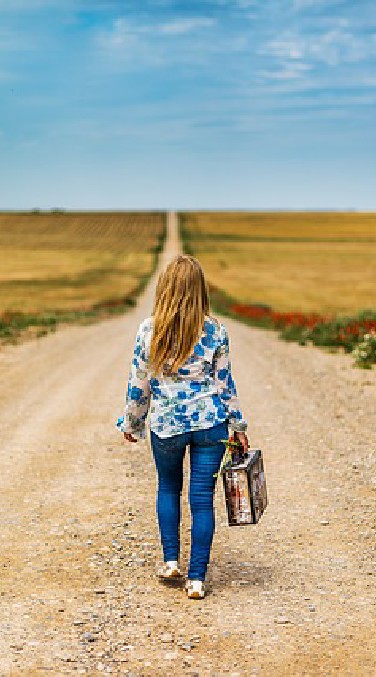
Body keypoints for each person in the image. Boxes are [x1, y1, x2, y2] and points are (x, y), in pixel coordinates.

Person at [116, 254, 249, 599]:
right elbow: (225, 383)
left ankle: (171, 560)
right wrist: (238, 425)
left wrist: (132, 421)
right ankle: (197, 580)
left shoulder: (149, 329)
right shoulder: (216, 330)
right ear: (200, 291)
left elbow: (139, 383)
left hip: (167, 425)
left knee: (168, 487)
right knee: (202, 500)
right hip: (210, 424)